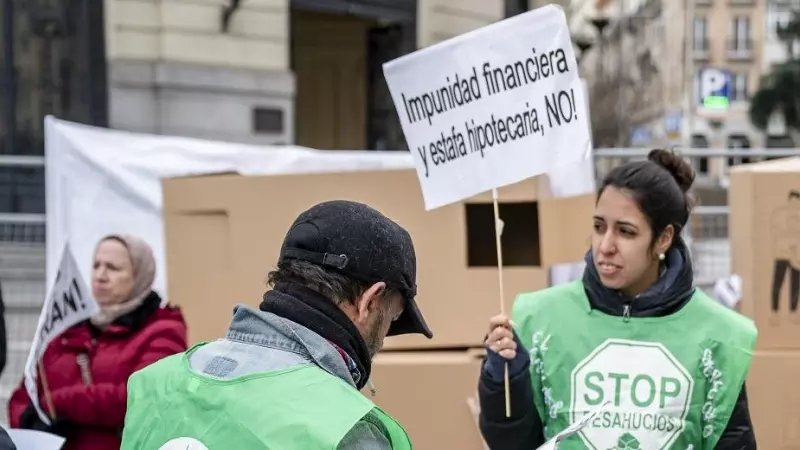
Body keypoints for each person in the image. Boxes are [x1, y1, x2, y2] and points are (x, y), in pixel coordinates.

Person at [478, 149, 757, 450]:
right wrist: (503, 381)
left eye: (625, 231)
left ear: (663, 238)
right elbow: (511, 443)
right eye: (599, 227)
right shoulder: (539, 318)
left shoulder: (718, 336)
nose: (605, 246)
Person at [120, 200, 433, 450]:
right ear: (370, 302)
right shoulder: (347, 427)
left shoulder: (153, 384)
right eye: (391, 319)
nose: (382, 341)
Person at [7, 234, 188, 450]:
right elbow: (25, 395)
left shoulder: (163, 329)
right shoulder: (68, 327)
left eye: (112, 268)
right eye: (96, 265)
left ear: (139, 275)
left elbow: (139, 398)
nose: (100, 275)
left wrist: (58, 403)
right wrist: (29, 423)